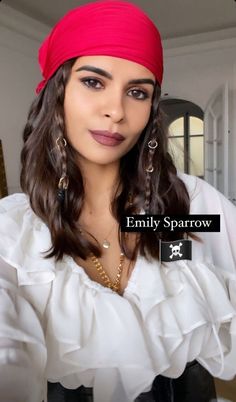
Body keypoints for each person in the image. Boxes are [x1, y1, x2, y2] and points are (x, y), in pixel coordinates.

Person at [0, 1, 235, 401]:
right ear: (57, 92)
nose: (116, 111)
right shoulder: (12, 233)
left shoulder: (194, 206)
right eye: (94, 82)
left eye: (137, 92)